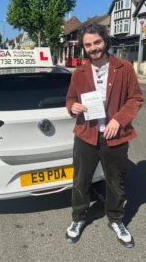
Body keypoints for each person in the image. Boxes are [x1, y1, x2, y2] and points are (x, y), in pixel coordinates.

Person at [65, 23, 143, 248]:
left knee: (115, 182)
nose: (93, 48)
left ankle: (116, 220)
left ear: (105, 41)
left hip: (115, 137)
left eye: (97, 42)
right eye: (88, 44)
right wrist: (73, 107)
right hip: (85, 136)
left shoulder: (124, 67)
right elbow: (70, 98)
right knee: (80, 180)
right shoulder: (79, 72)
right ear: (84, 47)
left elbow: (135, 98)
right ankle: (78, 219)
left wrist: (119, 119)